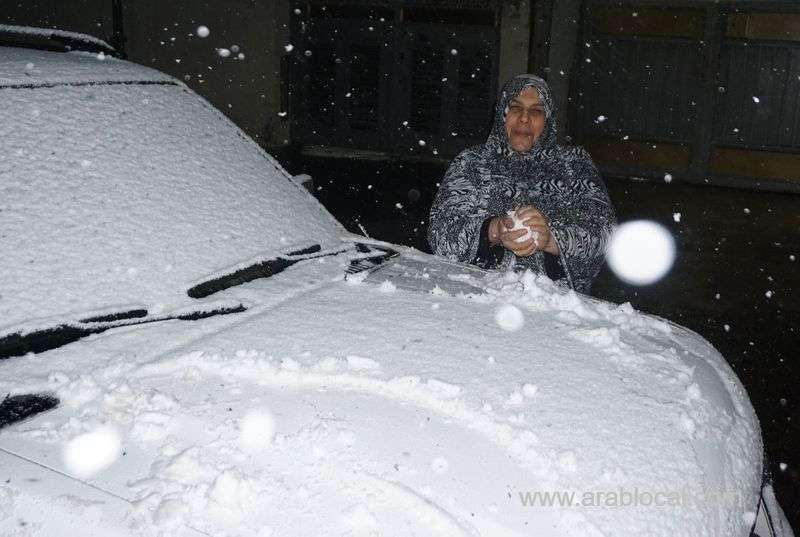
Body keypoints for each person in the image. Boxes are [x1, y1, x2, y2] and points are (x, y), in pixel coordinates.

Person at [427, 74, 615, 294]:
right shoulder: (471, 163)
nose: (524, 118)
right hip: (478, 298)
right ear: (502, 114)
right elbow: (440, 235)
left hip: (556, 305)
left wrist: (551, 240)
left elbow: (605, 234)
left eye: (536, 111)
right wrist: (494, 230)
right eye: (515, 108)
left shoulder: (573, 165)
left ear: (548, 120)